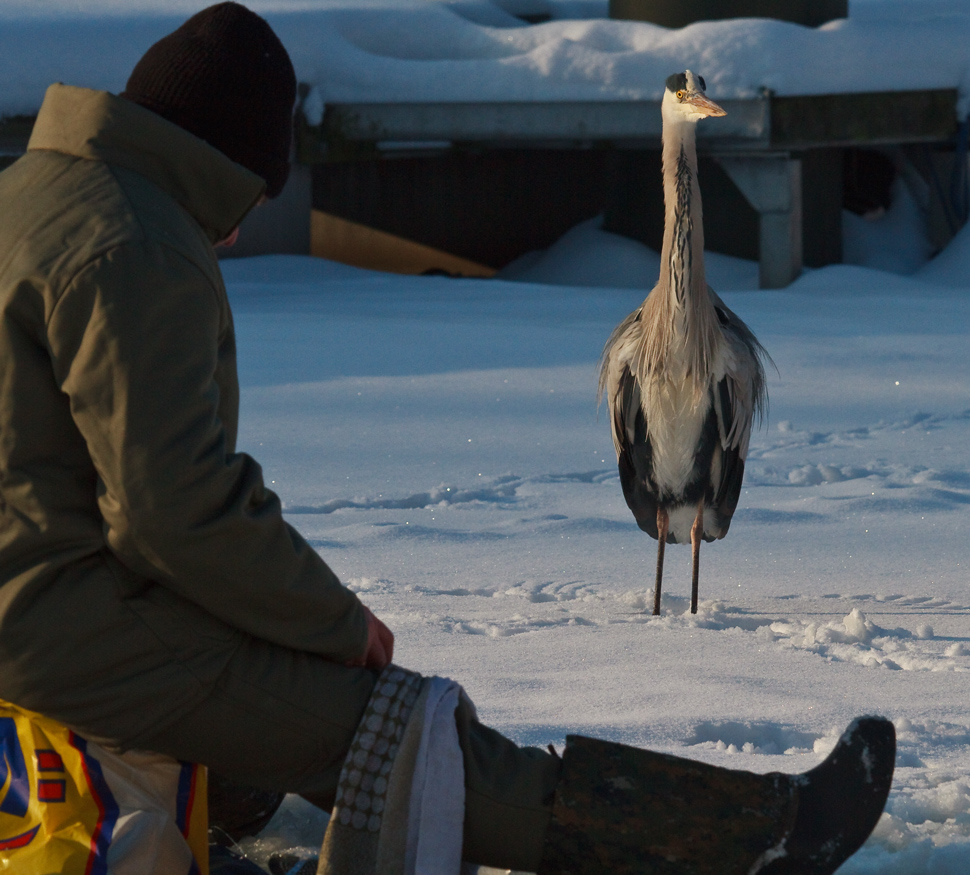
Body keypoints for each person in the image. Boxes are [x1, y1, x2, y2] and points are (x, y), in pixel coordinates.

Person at [0, 4, 895, 874]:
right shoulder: (136, 242)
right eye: (248, 196)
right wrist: (336, 624)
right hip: (59, 629)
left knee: (266, 689)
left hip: (44, 593)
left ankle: (223, 829)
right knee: (402, 732)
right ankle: (742, 839)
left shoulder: (30, 194)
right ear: (220, 159)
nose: (236, 231)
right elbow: (177, 506)